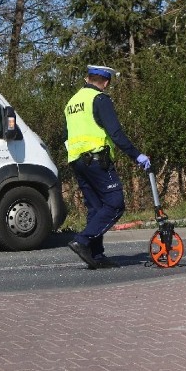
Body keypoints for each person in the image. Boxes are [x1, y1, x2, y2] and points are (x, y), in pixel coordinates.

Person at [63, 65, 150, 269]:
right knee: (115, 203)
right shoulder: (99, 99)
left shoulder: (72, 102)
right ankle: (82, 240)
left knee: (95, 207)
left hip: (77, 161)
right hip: (96, 159)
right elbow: (115, 132)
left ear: (87, 78)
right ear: (106, 82)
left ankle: (96, 255)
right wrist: (136, 155)